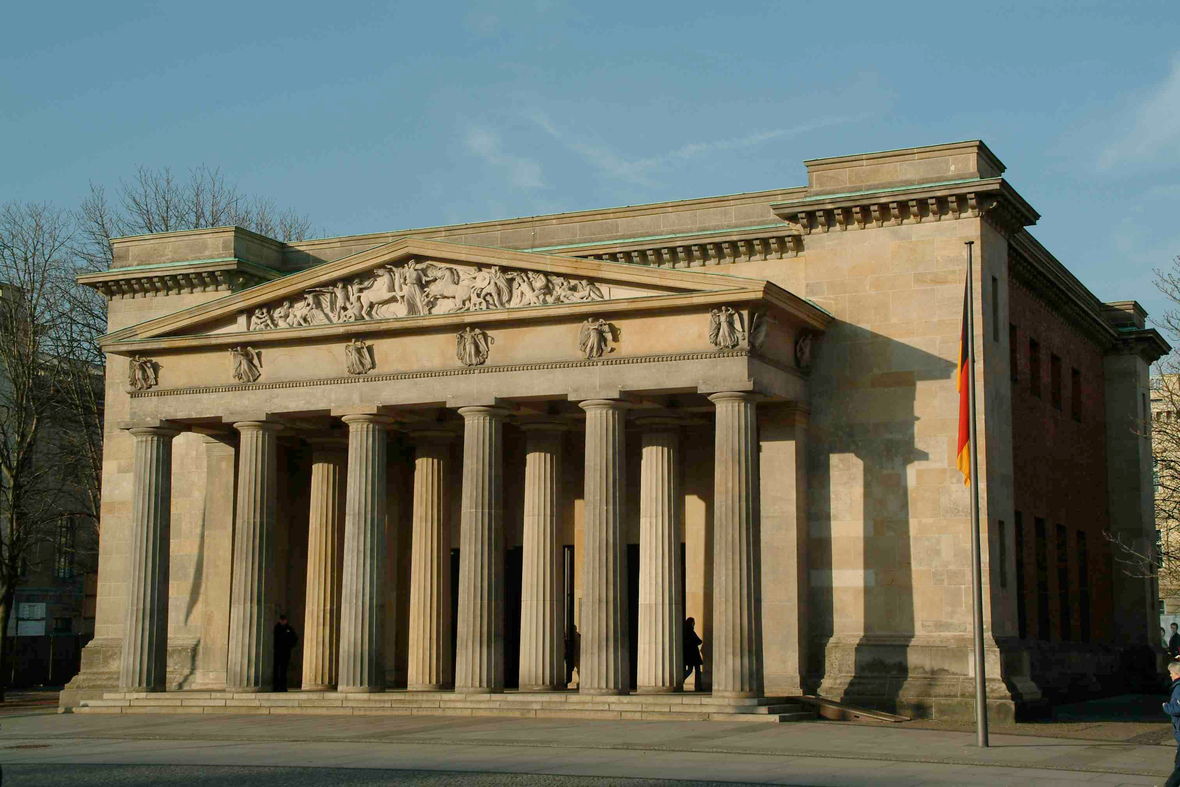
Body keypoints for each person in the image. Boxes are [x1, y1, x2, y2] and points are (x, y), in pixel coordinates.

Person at [1163, 661, 1180, 787]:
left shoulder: (1178, 688)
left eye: (1171, 673)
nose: (1170, 675)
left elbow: (1177, 708)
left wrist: (1166, 706)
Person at [273, 614, 298, 692]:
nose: (283, 621)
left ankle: (283, 686)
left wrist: (290, 645)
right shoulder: (277, 628)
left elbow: (294, 638)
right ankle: (276, 686)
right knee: (277, 669)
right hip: (277, 651)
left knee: (283, 670)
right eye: (282, 620)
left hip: (286, 651)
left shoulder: (289, 628)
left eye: (284, 620)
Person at [683, 617, 703, 690]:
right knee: (697, 670)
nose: (694, 623)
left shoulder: (685, 631)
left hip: (689, 654)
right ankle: (698, 686)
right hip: (693, 654)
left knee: (690, 669)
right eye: (693, 622)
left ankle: (680, 680)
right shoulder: (691, 631)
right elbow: (698, 641)